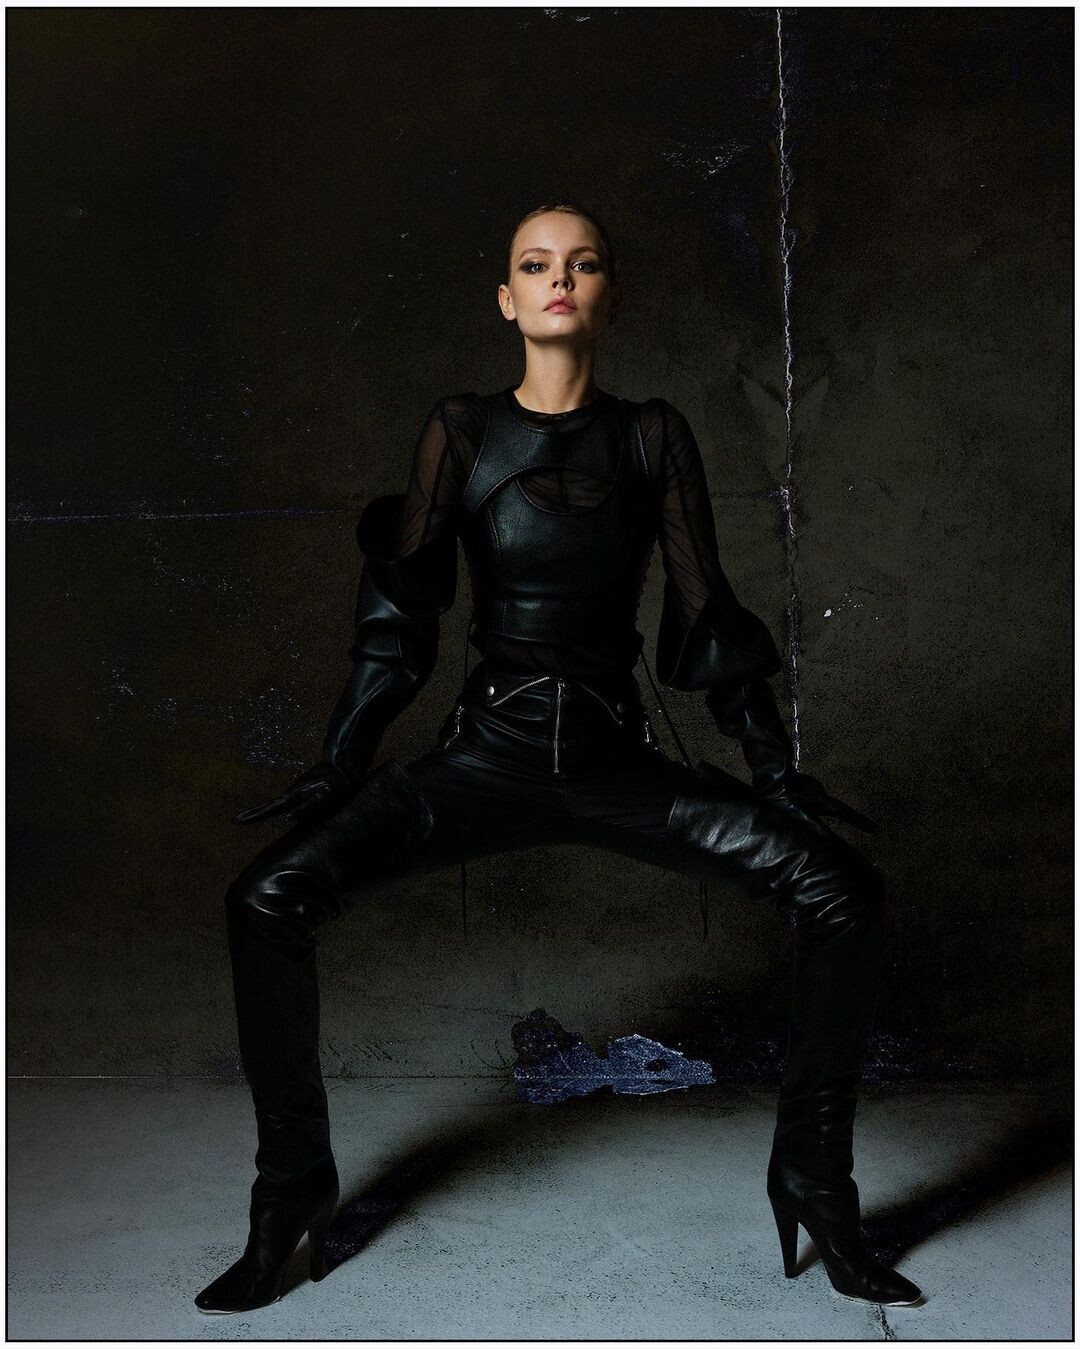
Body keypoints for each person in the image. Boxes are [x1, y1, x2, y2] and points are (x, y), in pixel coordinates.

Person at [195, 203, 924, 1315]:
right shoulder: (463, 430)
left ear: (609, 298)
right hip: (480, 762)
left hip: (616, 764)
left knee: (843, 889)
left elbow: (706, 609)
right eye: (536, 265)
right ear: (507, 298)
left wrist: (774, 770)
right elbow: (401, 619)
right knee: (265, 898)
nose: (559, 279)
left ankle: (816, 1182)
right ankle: (290, 1187)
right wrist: (341, 759)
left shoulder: (652, 436)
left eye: (582, 264)